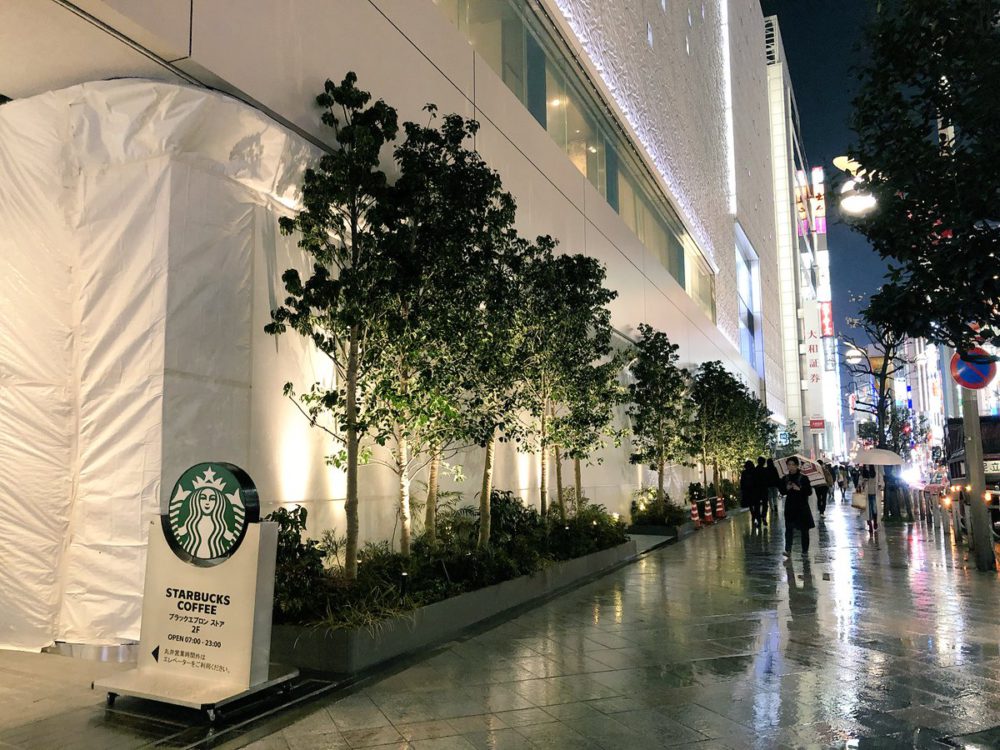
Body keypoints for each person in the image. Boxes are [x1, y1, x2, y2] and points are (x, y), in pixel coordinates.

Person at [778, 456, 814, 558]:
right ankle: (788, 550)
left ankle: (804, 550)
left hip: (802, 507)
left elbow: (809, 492)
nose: (791, 467)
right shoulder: (785, 478)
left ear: (797, 465)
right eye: (789, 465)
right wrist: (787, 488)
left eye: (793, 464)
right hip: (790, 507)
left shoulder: (803, 478)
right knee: (789, 529)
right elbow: (782, 491)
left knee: (804, 530)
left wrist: (800, 489)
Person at [862, 465, 881, 533]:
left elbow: (881, 481)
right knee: (868, 511)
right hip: (866, 495)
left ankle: (875, 521)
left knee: (874, 510)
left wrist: (880, 484)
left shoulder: (876, 472)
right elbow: (860, 482)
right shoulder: (864, 472)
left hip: (874, 494)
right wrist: (863, 482)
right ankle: (870, 525)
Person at [754, 456, 771, 527]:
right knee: (765, 504)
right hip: (764, 489)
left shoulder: (754, 470)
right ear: (764, 463)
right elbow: (768, 480)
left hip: (756, 490)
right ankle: (764, 516)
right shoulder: (765, 470)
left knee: (757, 505)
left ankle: (758, 519)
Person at [740, 460, 758, 525]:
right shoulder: (754, 471)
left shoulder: (744, 472)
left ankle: (753, 513)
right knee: (755, 503)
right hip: (754, 490)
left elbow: (742, 482)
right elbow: (757, 480)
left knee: (750, 503)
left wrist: (742, 490)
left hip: (747, 490)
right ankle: (755, 513)